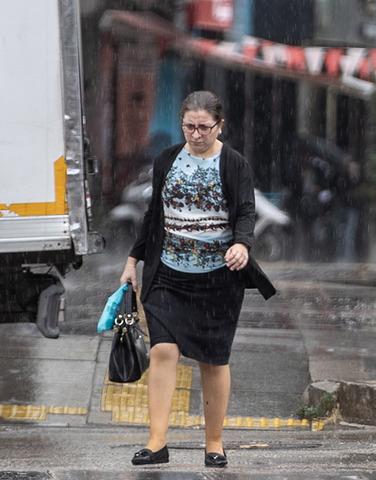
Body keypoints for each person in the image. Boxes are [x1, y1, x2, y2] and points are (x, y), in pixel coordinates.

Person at [119, 91, 276, 468]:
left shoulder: (234, 164)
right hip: (169, 274)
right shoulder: (167, 160)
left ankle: (215, 443)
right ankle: (157, 443)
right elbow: (153, 215)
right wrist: (132, 261)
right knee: (162, 350)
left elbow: (245, 212)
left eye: (204, 127)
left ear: (219, 126)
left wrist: (241, 244)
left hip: (218, 279)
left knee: (213, 359)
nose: (196, 133)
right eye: (189, 126)